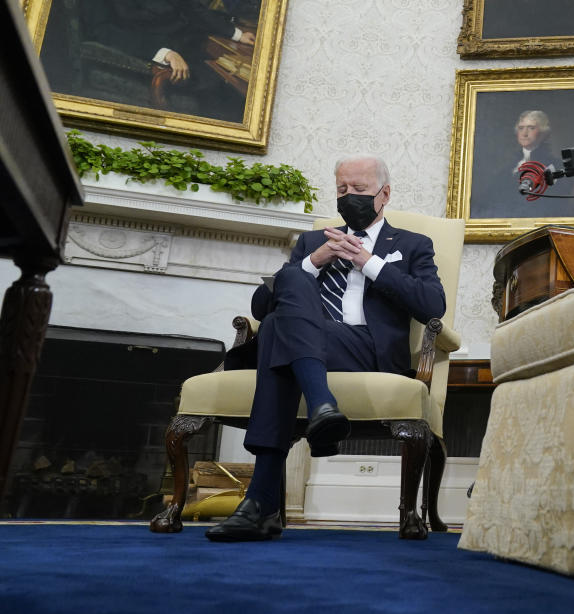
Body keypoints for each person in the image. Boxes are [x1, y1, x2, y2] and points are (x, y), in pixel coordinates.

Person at [206, 155, 446, 542]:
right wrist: (313, 264)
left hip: (367, 349)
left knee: (276, 332)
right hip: (311, 342)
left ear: (384, 194)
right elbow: (258, 307)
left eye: (360, 190)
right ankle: (322, 408)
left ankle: (259, 503)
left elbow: (433, 305)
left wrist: (368, 262)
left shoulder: (412, 245)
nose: (350, 197)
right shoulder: (313, 241)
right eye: (342, 190)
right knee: (287, 297)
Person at [80, 1, 256, 121]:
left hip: (191, 47)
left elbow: (192, 9)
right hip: (151, 59)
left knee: (241, 84)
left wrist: (237, 34)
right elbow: (103, 32)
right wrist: (164, 53)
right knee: (230, 94)